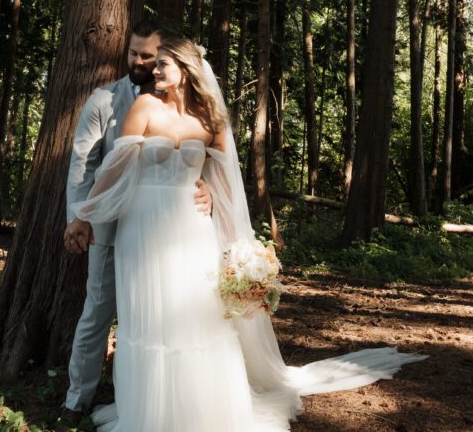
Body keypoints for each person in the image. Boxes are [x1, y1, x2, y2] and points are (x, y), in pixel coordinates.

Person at [67, 35, 426, 431]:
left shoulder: (210, 120)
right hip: (142, 228)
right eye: (154, 65)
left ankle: (201, 413)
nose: (154, 70)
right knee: (147, 320)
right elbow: (115, 168)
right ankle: (150, 415)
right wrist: (83, 216)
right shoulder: (145, 106)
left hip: (192, 228)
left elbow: (225, 185)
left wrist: (227, 227)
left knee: (197, 318)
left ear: (186, 72)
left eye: (163, 65)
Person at [59, 22, 212, 426]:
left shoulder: (191, 110)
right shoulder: (105, 100)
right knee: (98, 310)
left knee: (162, 315)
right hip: (112, 226)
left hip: (172, 232)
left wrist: (209, 192)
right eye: (134, 54)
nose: (141, 62)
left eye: (149, 56)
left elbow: (209, 165)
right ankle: (78, 398)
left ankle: (158, 399)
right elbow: (85, 164)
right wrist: (80, 216)